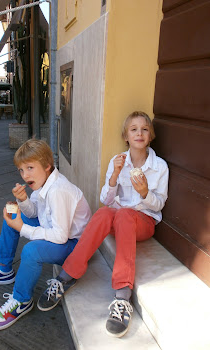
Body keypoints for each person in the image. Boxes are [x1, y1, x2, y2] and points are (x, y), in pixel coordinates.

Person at [37, 111, 169, 338]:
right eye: (133, 129)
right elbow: (105, 200)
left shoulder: (160, 167)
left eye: (144, 129)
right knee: (102, 213)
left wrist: (145, 193)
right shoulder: (118, 161)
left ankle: (122, 297)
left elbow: (157, 206)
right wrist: (115, 176)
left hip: (143, 221)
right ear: (126, 136)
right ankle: (67, 275)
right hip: (119, 218)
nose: (139, 133)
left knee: (125, 215)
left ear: (150, 136)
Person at [0, 139, 92, 331]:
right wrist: (24, 200)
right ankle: (3, 270)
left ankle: (21, 300)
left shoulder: (58, 190)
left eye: (30, 168)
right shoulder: (43, 183)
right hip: (60, 234)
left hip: (74, 246)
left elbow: (60, 236)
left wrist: (23, 228)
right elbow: (35, 213)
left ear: (47, 166)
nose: (25, 175)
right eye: (21, 170)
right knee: (12, 216)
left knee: (31, 251)